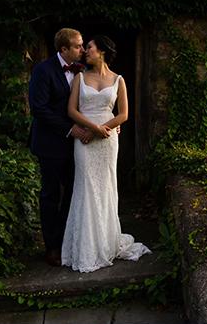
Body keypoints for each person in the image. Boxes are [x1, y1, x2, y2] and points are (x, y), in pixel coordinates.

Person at [62, 35, 151, 272]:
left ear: (101, 51)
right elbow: (71, 110)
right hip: (85, 139)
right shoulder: (80, 78)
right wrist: (92, 128)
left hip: (107, 140)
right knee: (86, 187)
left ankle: (106, 243)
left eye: (89, 47)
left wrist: (103, 129)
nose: (85, 51)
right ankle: (86, 248)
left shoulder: (118, 80)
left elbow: (123, 114)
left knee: (106, 188)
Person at [28, 28, 94, 267]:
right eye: (77, 46)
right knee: (51, 195)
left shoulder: (83, 70)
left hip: (77, 146)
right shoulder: (43, 70)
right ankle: (52, 247)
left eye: (83, 45)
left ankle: (67, 239)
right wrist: (69, 129)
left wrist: (107, 124)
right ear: (63, 49)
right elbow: (39, 108)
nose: (83, 49)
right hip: (50, 144)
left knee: (75, 192)